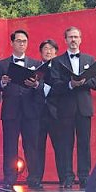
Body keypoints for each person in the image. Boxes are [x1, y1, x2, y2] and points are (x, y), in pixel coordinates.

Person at [0, 29, 43, 188]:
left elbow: (42, 87)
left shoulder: (35, 63)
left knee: (32, 145)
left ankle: (34, 178)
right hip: (11, 110)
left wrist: (35, 84)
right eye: (19, 41)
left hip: (30, 110)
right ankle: (9, 178)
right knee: (10, 145)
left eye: (24, 41)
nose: (22, 44)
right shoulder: (3, 64)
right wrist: (3, 82)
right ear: (12, 43)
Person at [49, 27, 96, 187]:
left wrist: (84, 82)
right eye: (70, 37)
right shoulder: (57, 61)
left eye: (76, 37)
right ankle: (67, 176)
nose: (73, 40)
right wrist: (70, 84)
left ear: (80, 39)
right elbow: (55, 84)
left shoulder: (90, 59)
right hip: (66, 108)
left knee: (84, 143)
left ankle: (84, 176)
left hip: (84, 108)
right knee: (66, 144)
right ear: (65, 40)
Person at [36, 38, 60, 184]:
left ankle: (64, 178)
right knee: (37, 148)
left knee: (60, 147)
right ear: (41, 52)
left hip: (56, 113)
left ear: (56, 52)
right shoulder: (35, 67)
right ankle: (36, 179)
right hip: (37, 113)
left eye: (51, 49)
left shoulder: (60, 68)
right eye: (45, 48)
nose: (48, 51)